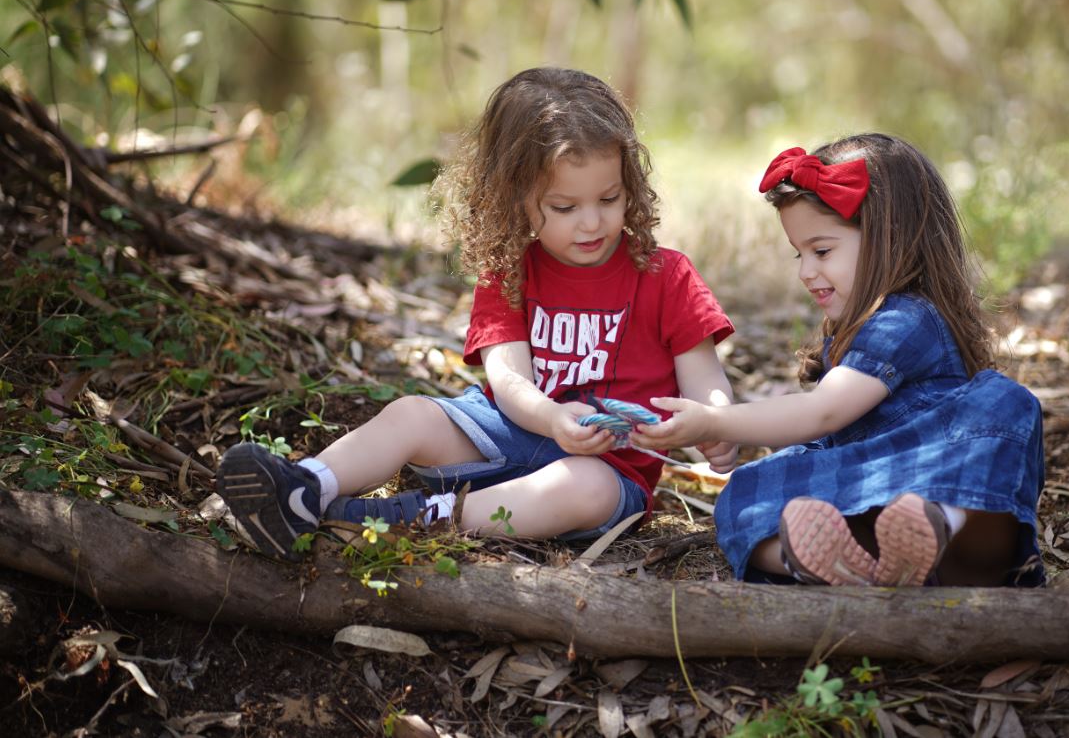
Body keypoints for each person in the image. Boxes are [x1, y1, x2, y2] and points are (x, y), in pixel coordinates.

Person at [216, 67, 735, 560]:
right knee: (412, 414)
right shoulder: (511, 270)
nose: (591, 222)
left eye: (609, 198)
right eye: (564, 207)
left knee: (585, 488)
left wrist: (713, 419)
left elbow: (705, 376)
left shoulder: (665, 275)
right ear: (517, 198)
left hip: (604, 466)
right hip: (509, 430)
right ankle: (304, 488)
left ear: (631, 187)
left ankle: (409, 518)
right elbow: (507, 379)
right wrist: (552, 417)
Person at [632, 135, 1045, 587]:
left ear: (890, 240)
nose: (805, 271)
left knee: (1005, 404)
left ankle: (937, 525)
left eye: (821, 251)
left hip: (943, 489)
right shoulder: (856, 325)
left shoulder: (906, 318)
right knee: (745, 491)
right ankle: (846, 558)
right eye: (799, 253)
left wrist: (716, 422)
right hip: (872, 487)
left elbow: (823, 411)